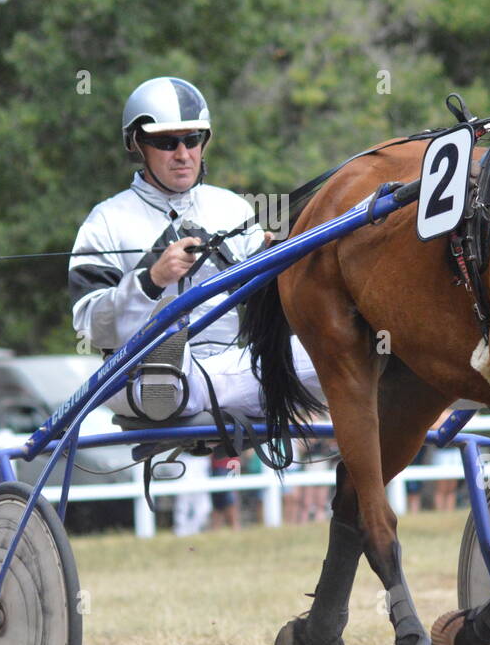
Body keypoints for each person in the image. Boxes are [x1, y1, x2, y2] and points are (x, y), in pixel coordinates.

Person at [67, 76, 324, 423]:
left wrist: (277, 264)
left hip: (227, 367)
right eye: (167, 143)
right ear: (138, 145)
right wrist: (151, 280)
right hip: (135, 372)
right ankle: (170, 368)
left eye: (192, 140)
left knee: (334, 352)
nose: (183, 154)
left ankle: (192, 386)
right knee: (168, 371)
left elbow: (271, 309)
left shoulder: (233, 209)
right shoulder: (106, 220)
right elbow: (88, 326)